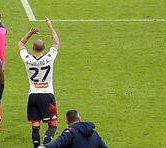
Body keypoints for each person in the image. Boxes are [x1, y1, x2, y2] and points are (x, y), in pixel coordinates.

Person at [19, 17, 60, 148]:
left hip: (33, 95)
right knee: (53, 125)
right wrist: (50, 26)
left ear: (33, 48)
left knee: (35, 126)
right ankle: (46, 145)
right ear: (44, 48)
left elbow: (20, 44)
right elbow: (56, 43)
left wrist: (30, 33)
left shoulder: (27, 59)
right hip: (47, 94)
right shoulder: (49, 58)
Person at [43, 110, 107, 148]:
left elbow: (57, 143)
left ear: (67, 121)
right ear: (79, 119)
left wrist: (44, 146)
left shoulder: (70, 133)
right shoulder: (94, 133)